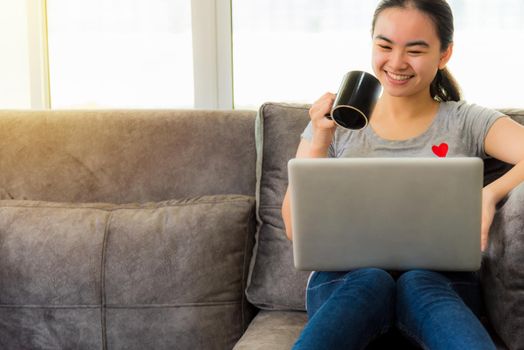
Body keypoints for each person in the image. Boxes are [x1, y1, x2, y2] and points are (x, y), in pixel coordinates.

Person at [280, 0, 524, 349]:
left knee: (419, 281)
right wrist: (321, 137)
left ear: (444, 55)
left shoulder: (466, 121)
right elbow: (292, 226)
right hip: (345, 283)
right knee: (371, 280)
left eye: (415, 50)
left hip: (441, 282)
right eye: (384, 46)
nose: (396, 63)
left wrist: (490, 193)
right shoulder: (337, 124)